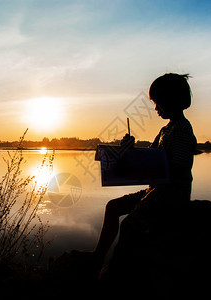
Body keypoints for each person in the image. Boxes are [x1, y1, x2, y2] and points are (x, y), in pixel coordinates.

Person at [75, 73, 197, 272]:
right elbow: (151, 155)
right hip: (157, 190)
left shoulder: (182, 129)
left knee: (130, 225)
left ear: (171, 100)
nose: (156, 108)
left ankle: (115, 268)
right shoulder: (167, 129)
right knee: (113, 207)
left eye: (158, 103)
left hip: (171, 195)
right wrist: (129, 150)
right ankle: (98, 256)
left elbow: (179, 168)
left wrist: (147, 166)